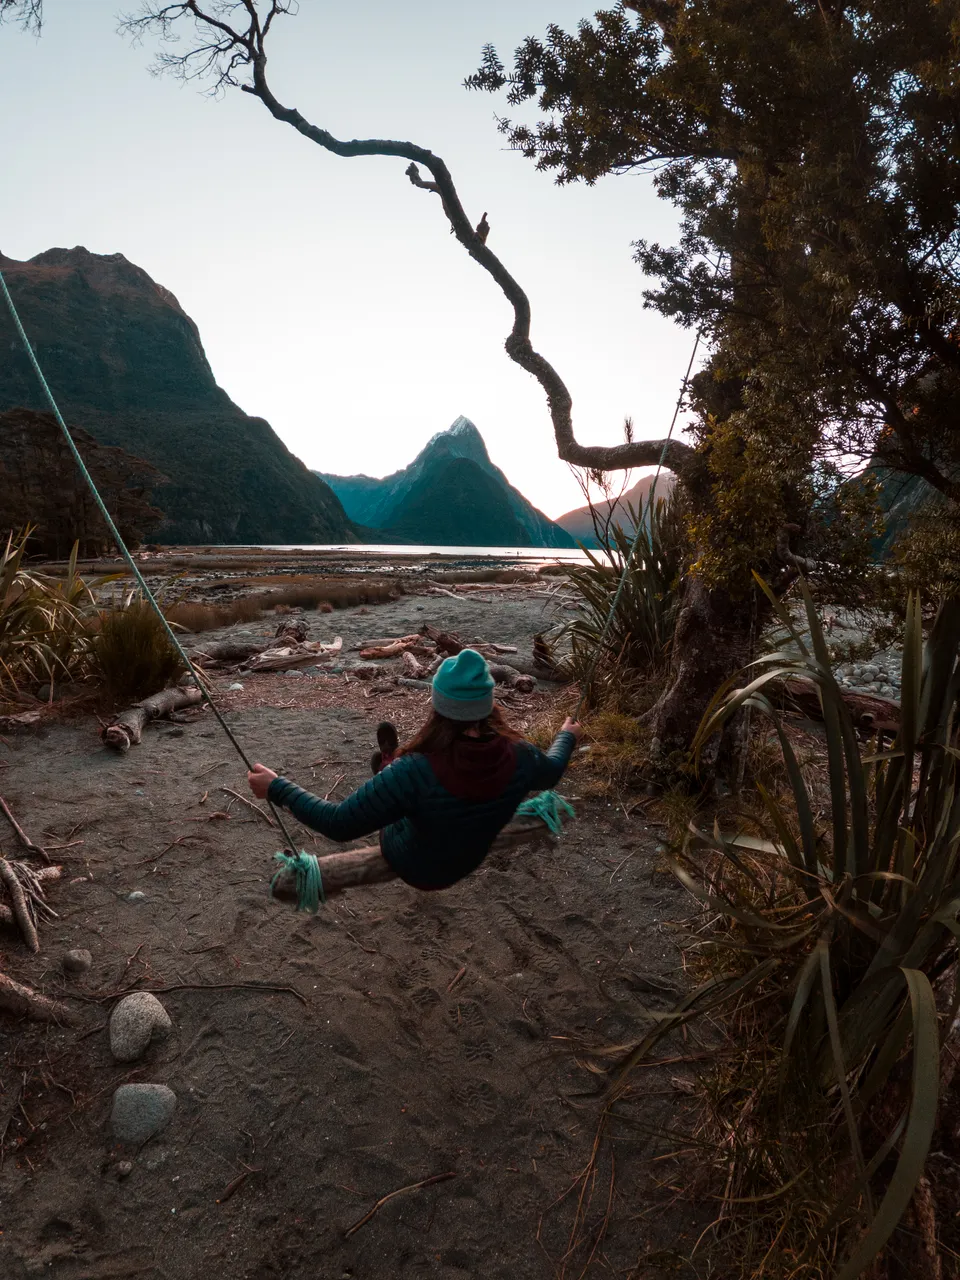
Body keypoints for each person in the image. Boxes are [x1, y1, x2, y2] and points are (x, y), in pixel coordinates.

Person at [248, 648, 582, 894]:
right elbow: (552, 772)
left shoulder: (416, 769)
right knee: (410, 791)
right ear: (488, 704)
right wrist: (566, 736)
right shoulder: (522, 755)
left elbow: (338, 824)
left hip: (415, 865)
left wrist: (276, 787)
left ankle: (386, 765)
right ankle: (387, 766)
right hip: (469, 857)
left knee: (397, 793)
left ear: (439, 705)